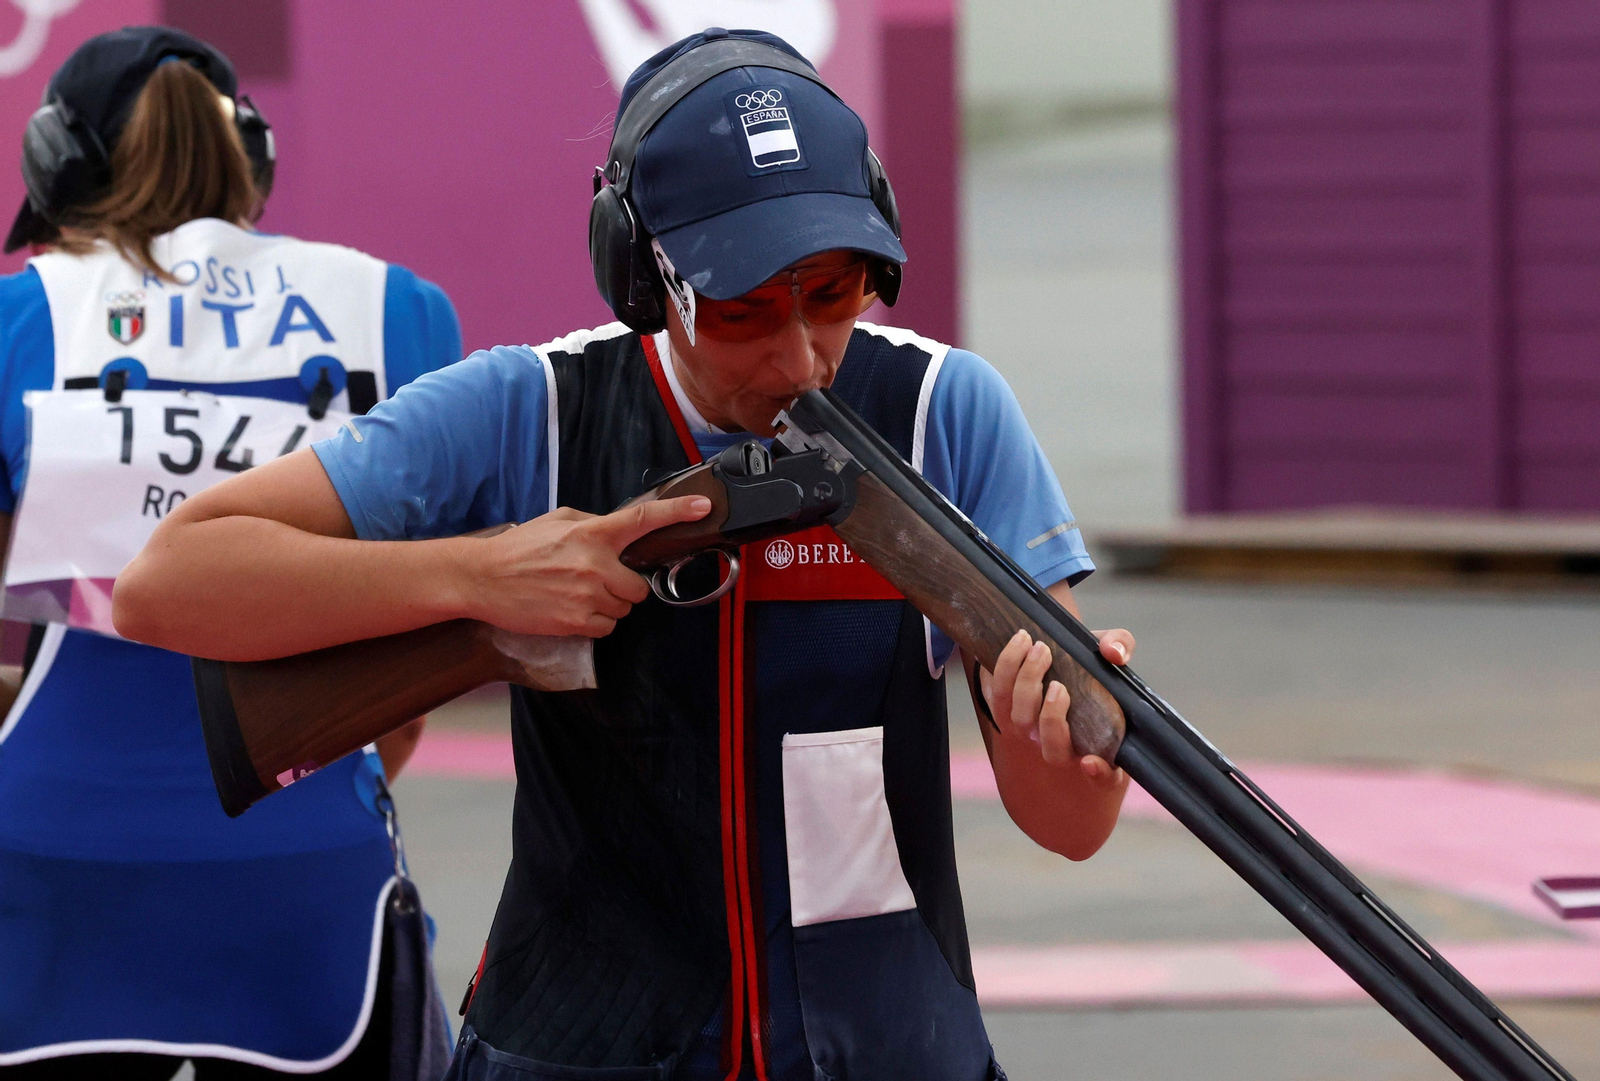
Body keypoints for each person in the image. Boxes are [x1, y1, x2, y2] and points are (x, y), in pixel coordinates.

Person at [116, 28, 1137, 1081]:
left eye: (832, 296)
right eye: (742, 310)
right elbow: (170, 583)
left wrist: (1054, 746)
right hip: (578, 1043)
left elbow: (1068, 827)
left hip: (884, 1045)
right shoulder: (532, 410)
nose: (797, 357)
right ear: (642, 273)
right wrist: (479, 576)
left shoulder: (941, 410)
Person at [0, 28, 461, 1080]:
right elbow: (415, 659)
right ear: (252, 158)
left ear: (61, 175)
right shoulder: (398, 312)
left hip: (48, 860)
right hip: (302, 865)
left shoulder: (18, 315)